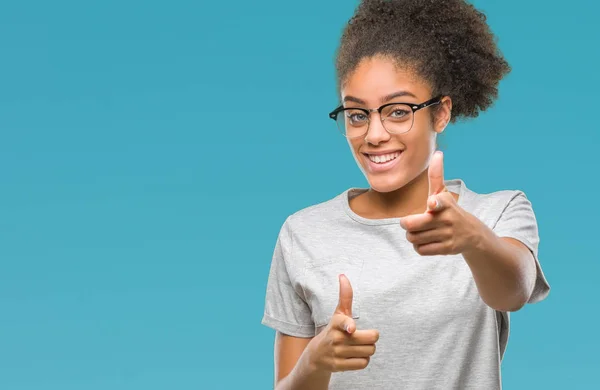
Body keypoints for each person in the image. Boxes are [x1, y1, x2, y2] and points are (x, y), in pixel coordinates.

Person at [261, 0, 551, 389]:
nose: (375, 134)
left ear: (441, 113)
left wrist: (472, 238)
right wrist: (315, 363)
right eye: (357, 114)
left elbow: (512, 291)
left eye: (398, 111)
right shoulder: (303, 233)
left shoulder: (498, 211)